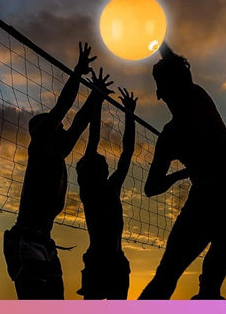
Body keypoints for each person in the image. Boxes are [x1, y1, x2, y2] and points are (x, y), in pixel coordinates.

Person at [139, 46, 226, 300]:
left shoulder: (170, 135)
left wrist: (181, 174)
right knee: (209, 288)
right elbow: (176, 63)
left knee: (166, 277)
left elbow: (151, 188)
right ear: (187, 80)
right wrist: (158, 39)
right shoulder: (199, 99)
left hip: (211, 196)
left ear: (159, 93)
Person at [2, 42, 111, 299]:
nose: (61, 128)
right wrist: (77, 72)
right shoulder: (40, 148)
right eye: (56, 126)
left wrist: (96, 96)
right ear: (44, 131)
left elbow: (79, 122)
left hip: (43, 241)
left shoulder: (58, 153)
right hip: (26, 240)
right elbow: (62, 107)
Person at [75, 83, 137, 300]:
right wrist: (98, 100)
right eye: (101, 163)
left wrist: (130, 115)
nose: (105, 163)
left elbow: (127, 152)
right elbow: (93, 140)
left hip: (116, 262)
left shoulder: (111, 188)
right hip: (100, 263)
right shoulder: (91, 193)